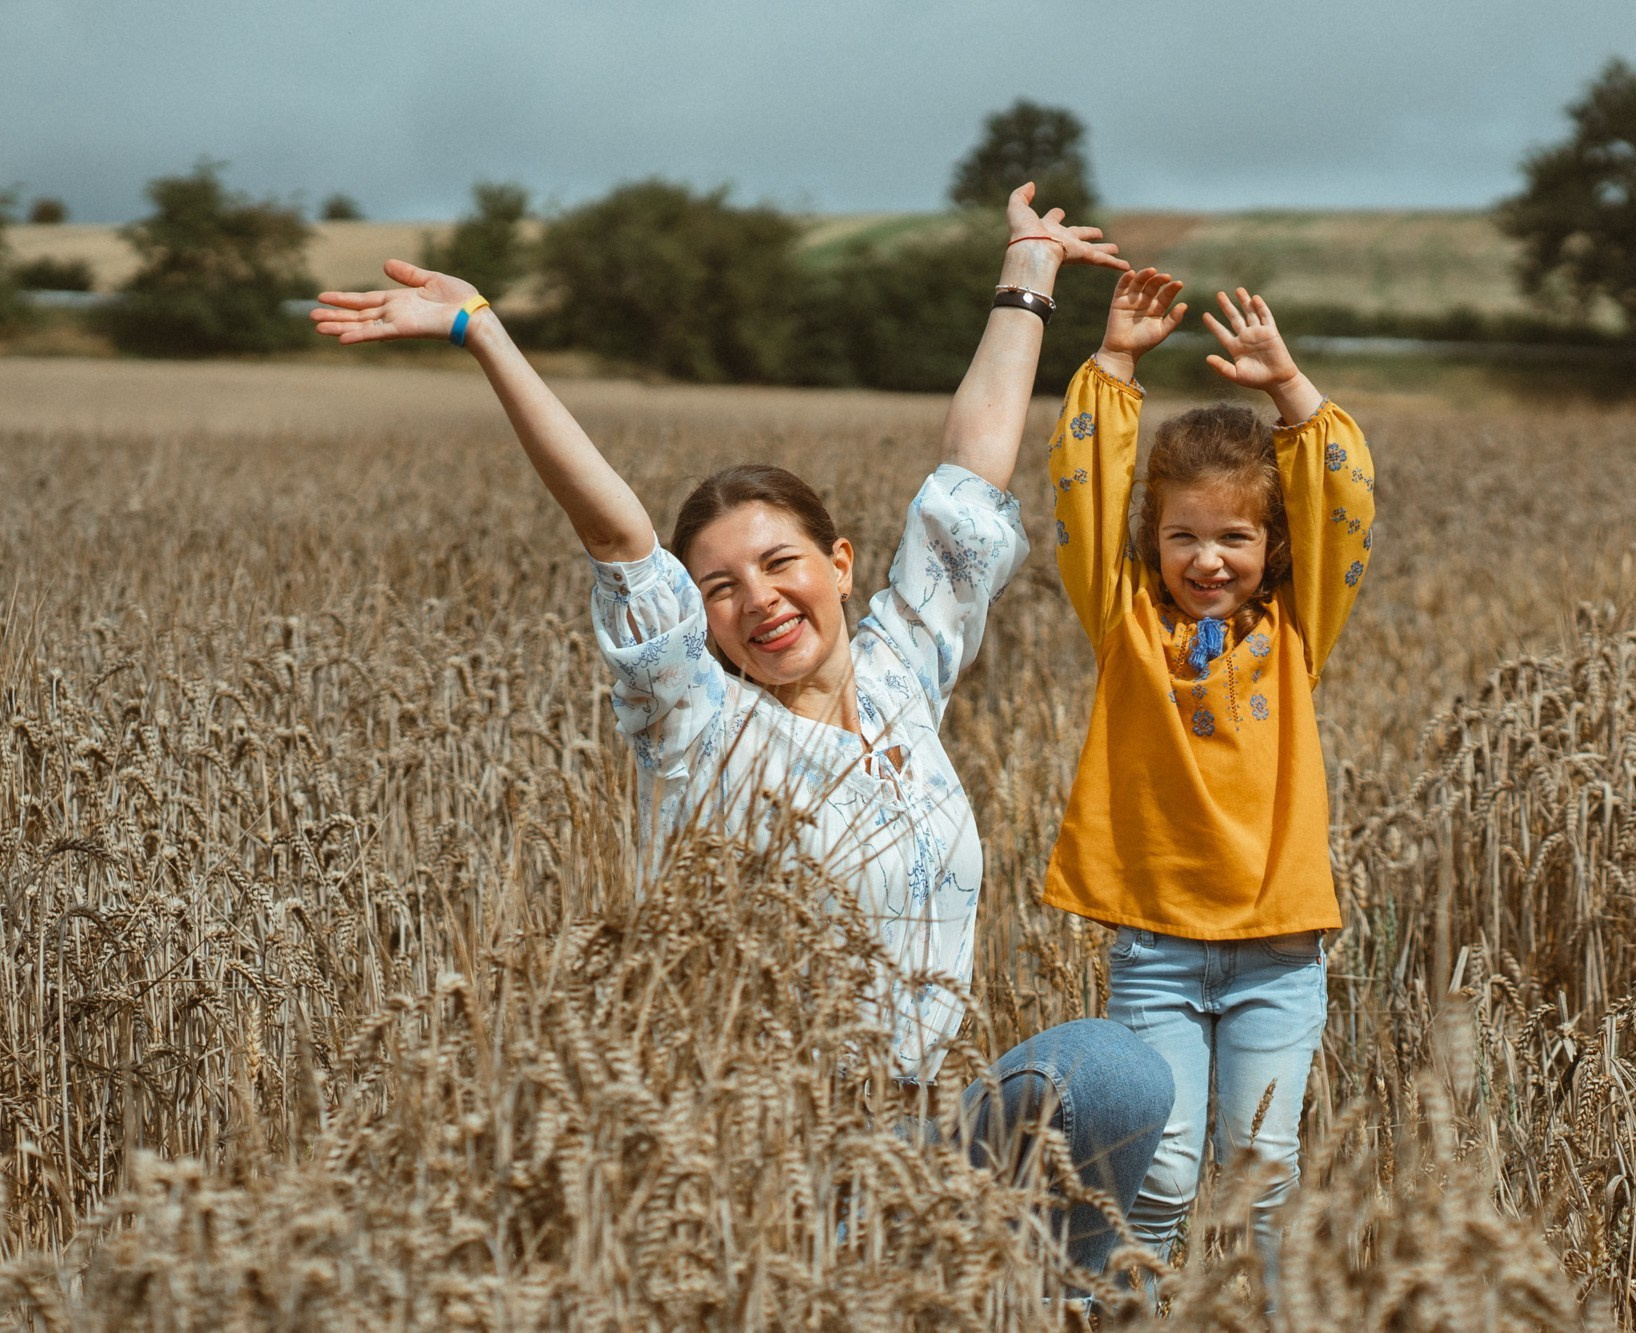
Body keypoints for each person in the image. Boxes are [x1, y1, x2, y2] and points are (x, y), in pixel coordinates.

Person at [310, 184, 1173, 1276]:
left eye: (779, 565)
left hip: (933, 1137)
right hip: (781, 1163)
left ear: (840, 567)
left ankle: (1070, 1299)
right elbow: (618, 534)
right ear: (698, 622)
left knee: (1113, 1071)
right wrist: (484, 334)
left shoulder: (903, 675)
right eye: (718, 588)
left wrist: (1029, 271)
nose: (757, 599)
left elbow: (971, 469)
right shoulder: (697, 729)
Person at [1038, 269, 1376, 1293]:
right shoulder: (1124, 622)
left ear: (1273, 549)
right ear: (1150, 542)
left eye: (1233, 536)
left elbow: (1345, 496)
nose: (1207, 557)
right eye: (1182, 534)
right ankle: (1111, 1312)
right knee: (1163, 1177)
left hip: (1279, 955)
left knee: (1265, 1181)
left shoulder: (1297, 629)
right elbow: (1081, 488)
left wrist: (1290, 390)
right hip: (1155, 949)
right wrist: (1112, 367)